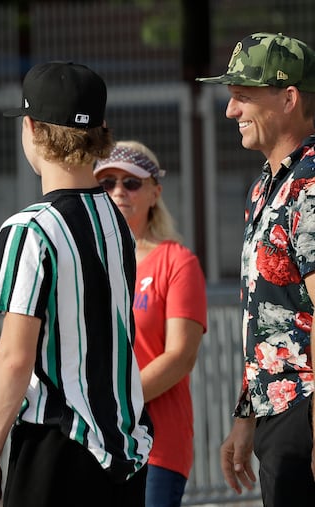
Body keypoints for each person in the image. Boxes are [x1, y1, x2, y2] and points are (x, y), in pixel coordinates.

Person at [0, 61, 153, 507]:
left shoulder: (30, 229)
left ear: (31, 128)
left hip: (59, 443)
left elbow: (17, 359)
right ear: (100, 132)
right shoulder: (116, 221)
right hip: (125, 446)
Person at [196, 32, 315, 505]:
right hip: (280, 417)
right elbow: (267, 317)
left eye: (243, 97)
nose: (231, 111)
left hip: (304, 415)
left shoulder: (309, 187)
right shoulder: (269, 185)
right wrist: (245, 420)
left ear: (288, 99)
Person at [94, 141, 208, 506]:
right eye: (107, 182)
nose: (117, 191)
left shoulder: (177, 262)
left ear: (155, 192)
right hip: (92, 440)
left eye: (131, 183)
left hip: (156, 444)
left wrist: (112, 401)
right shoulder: (84, 260)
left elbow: (179, 357)